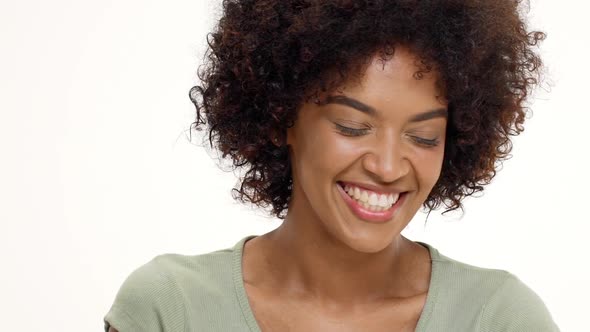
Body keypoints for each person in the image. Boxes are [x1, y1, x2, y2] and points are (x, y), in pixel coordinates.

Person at [104, 0, 559, 331]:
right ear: (282, 117)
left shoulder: (500, 318)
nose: (386, 166)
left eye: (423, 136)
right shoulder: (171, 309)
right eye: (352, 125)